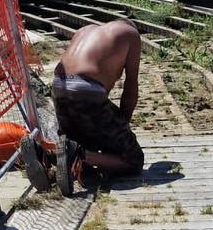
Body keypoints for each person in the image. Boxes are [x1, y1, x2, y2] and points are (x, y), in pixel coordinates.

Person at [50, 20, 145, 193]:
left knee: (86, 139)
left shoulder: (85, 30)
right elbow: (131, 88)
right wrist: (124, 124)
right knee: (134, 159)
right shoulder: (131, 34)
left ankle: (50, 156)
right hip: (87, 93)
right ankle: (78, 156)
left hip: (59, 88)